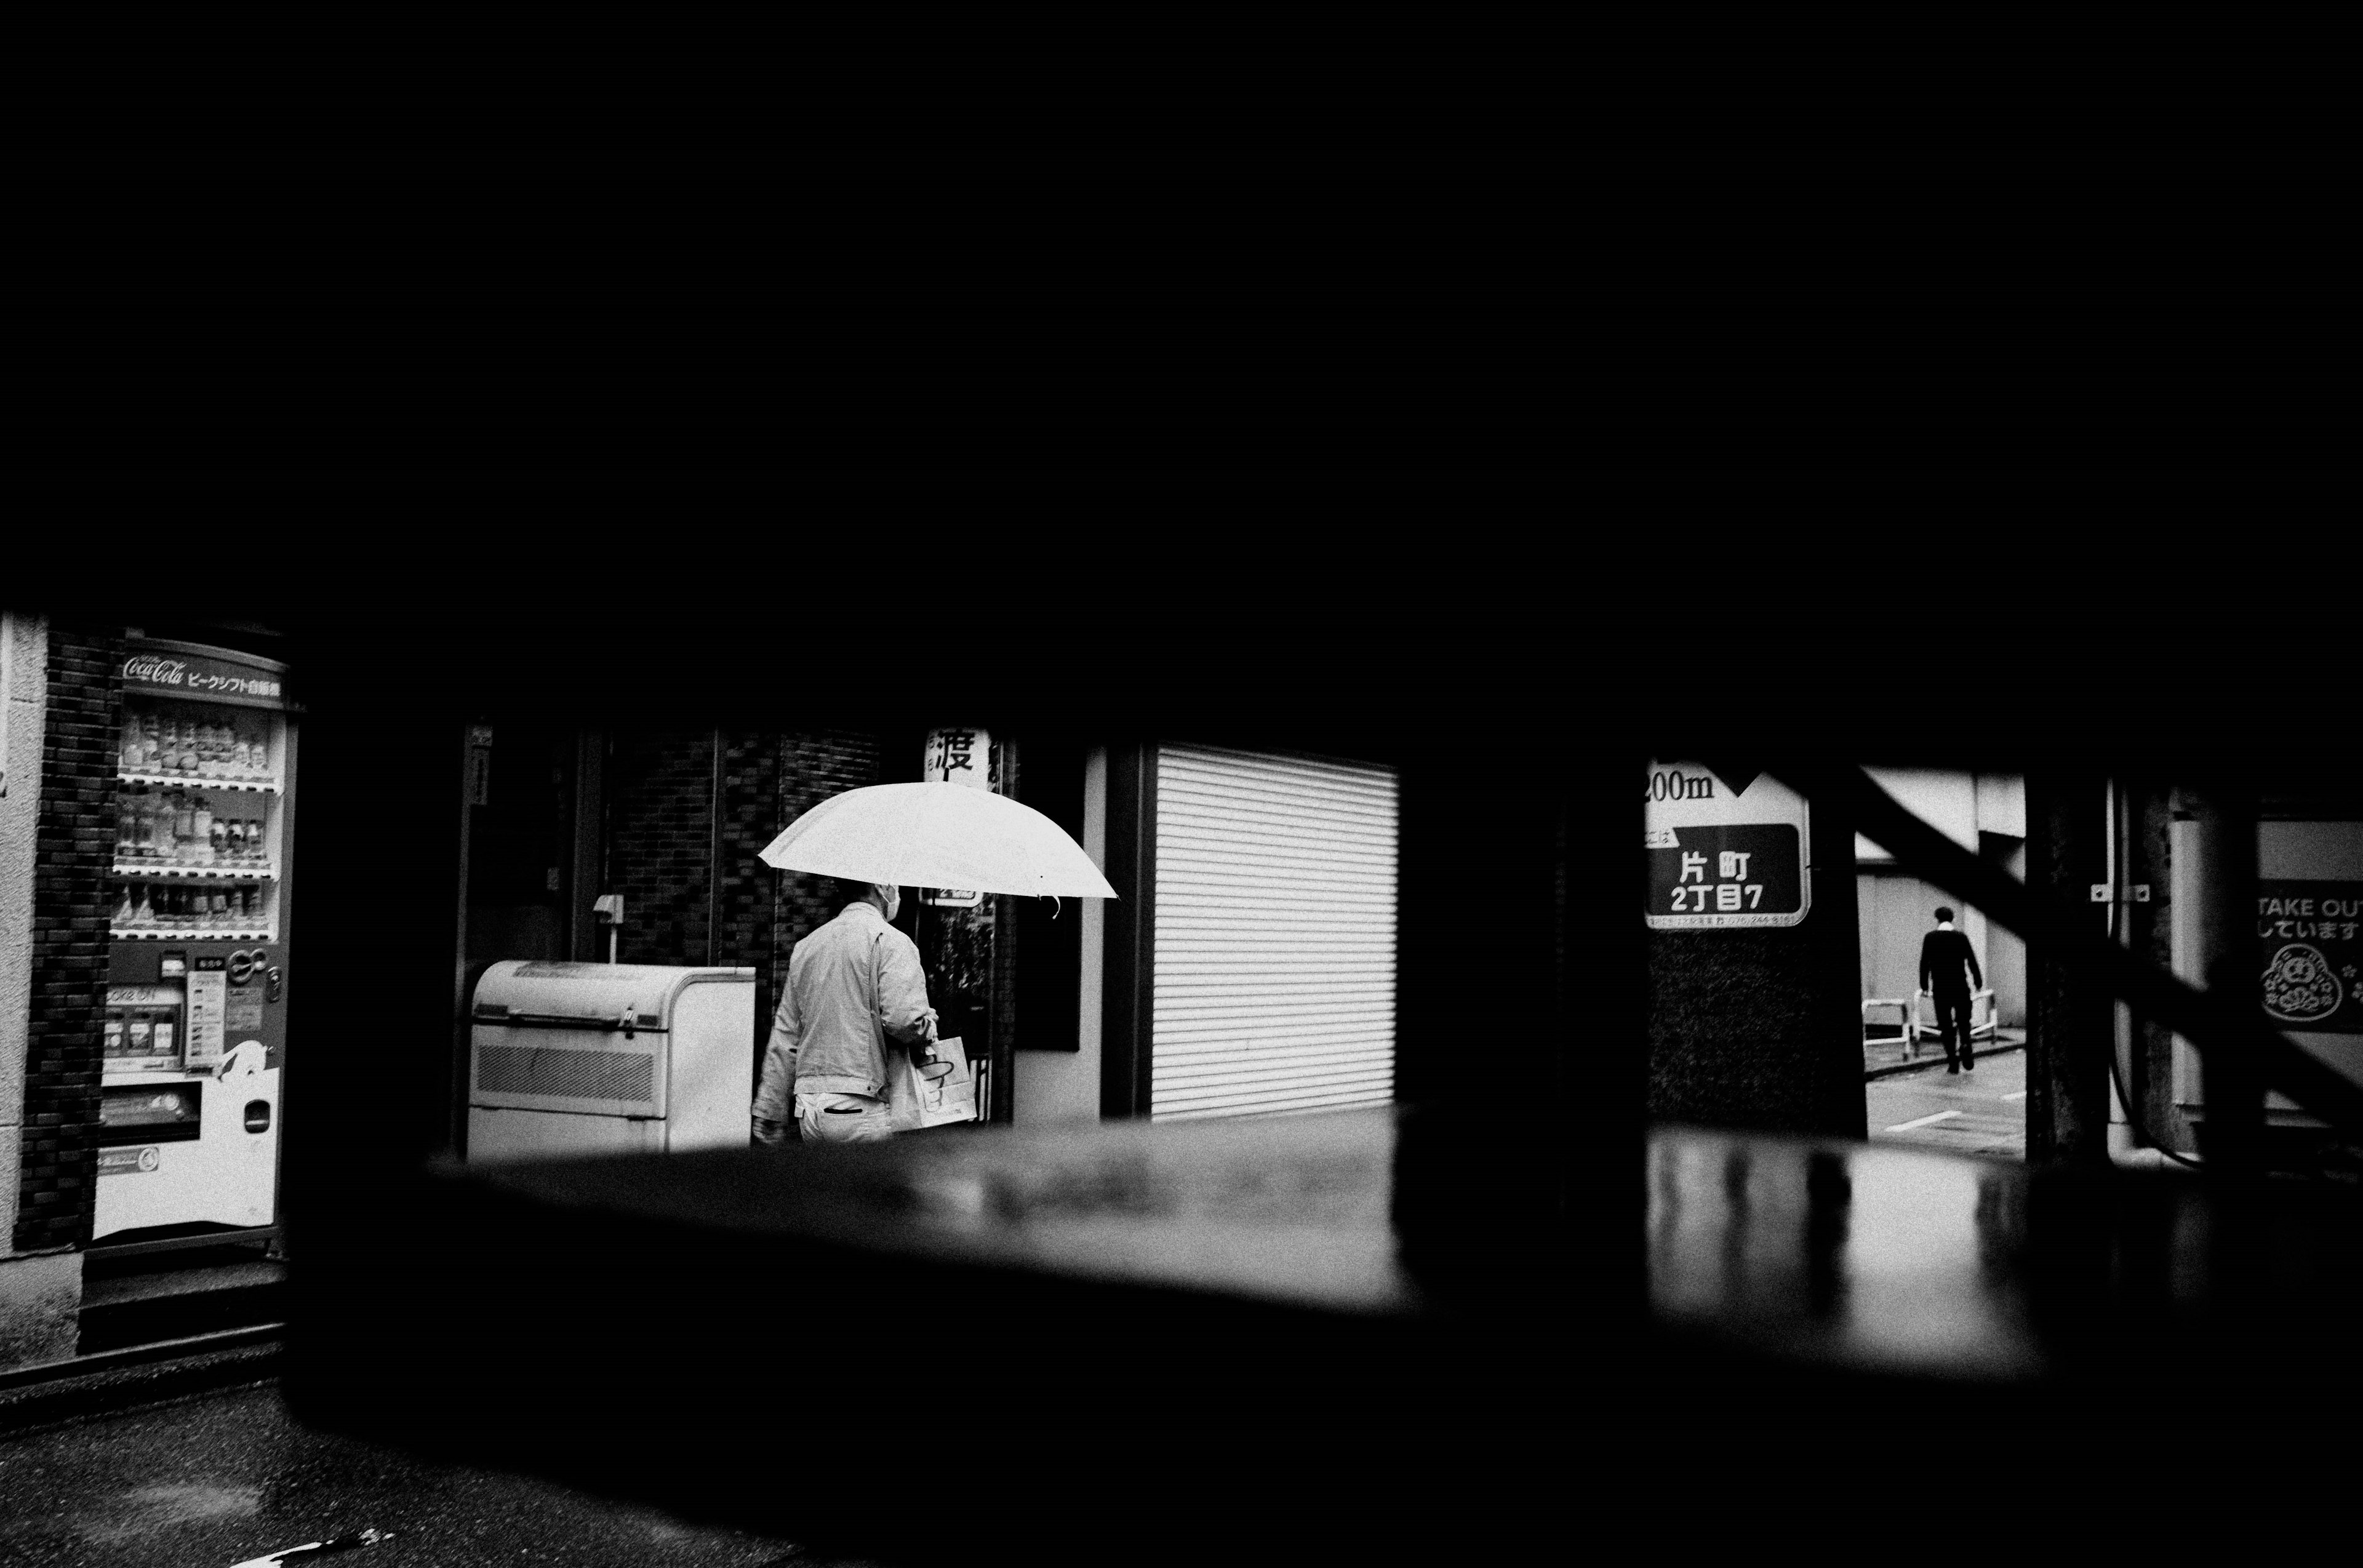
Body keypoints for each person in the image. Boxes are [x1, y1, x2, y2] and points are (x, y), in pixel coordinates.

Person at [751, 877, 940, 1145]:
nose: (897, 893)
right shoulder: (891, 941)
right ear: (881, 886)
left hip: (809, 1109)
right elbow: (904, 1021)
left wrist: (770, 1108)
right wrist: (928, 1025)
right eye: (895, 884)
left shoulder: (807, 946)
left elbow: (786, 1034)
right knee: (874, 1187)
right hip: (862, 1105)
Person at [1918, 905, 1985, 1074]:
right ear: (1953, 919)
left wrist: (1924, 986)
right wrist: (1978, 981)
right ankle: (1965, 1045)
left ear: (1937, 919)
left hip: (1941, 987)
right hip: (1960, 986)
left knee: (1946, 1025)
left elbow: (1924, 963)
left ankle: (1953, 1062)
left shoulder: (1930, 938)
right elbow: (1971, 960)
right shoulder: (1961, 937)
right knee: (1964, 1020)